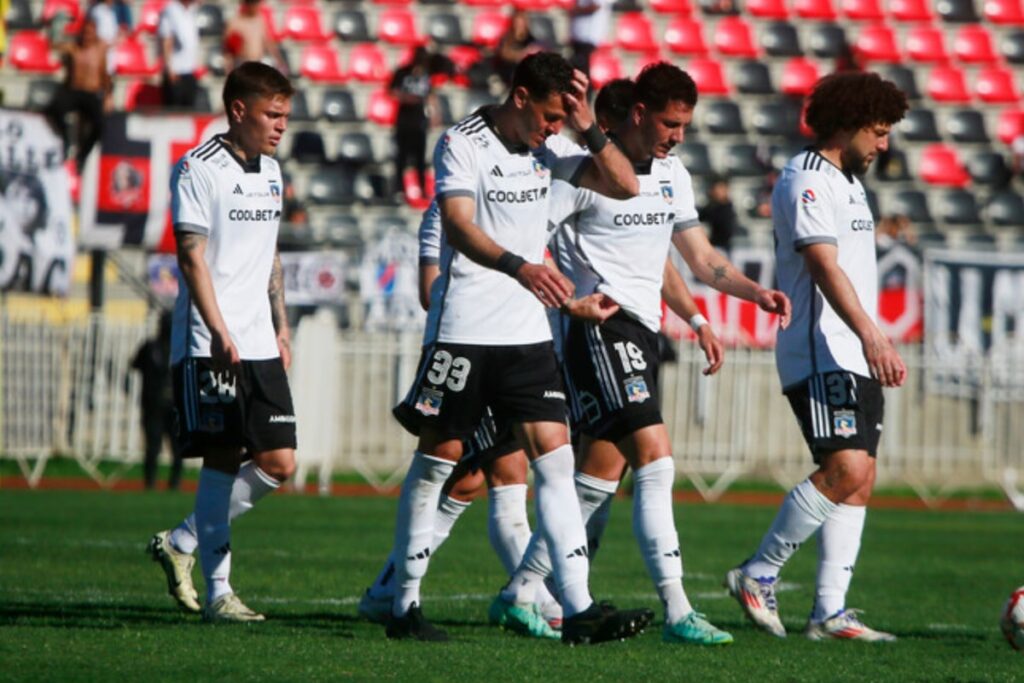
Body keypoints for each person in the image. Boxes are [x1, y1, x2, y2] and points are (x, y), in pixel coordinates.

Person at [496, 63, 791, 646]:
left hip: (644, 334)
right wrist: (573, 301)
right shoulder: (582, 172)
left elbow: (690, 260)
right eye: (669, 122)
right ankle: (679, 609)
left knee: (596, 480)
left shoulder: (673, 175)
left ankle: (520, 592)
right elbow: (529, 243)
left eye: (685, 124)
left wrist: (725, 305)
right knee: (656, 458)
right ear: (637, 113)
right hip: (601, 330)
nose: (678, 134)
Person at [384, 52, 653, 644]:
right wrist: (519, 268)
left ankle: (578, 608)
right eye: (552, 114)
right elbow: (456, 223)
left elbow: (627, 185)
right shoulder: (463, 142)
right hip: (465, 328)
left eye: (564, 119)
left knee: (555, 462)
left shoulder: (553, 148)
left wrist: (587, 125)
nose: (554, 127)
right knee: (438, 465)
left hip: (528, 336)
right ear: (522, 97)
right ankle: (402, 604)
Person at [723, 71, 909, 642]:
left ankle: (829, 612)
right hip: (822, 347)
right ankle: (758, 571)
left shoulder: (849, 181)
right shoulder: (806, 180)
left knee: (861, 478)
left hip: (851, 350)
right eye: (877, 132)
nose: (884, 145)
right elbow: (823, 267)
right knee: (845, 468)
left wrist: (868, 341)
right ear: (847, 124)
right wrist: (873, 335)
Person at [146, 62, 297, 623]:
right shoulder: (199, 168)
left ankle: (181, 541)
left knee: (280, 463)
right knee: (223, 457)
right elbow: (191, 256)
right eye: (272, 115)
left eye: (285, 116)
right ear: (239, 111)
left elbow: (270, 253)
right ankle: (218, 594)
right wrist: (218, 330)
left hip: (260, 338)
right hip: (214, 340)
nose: (281, 126)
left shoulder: (272, 171)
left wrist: (280, 324)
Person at [46, 18, 110, 172]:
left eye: (90, 33)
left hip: (91, 93)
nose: (87, 37)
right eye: (85, 33)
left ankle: (83, 155)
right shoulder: (73, 47)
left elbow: (105, 75)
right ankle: (66, 139)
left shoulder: (100, 49)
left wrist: (108, 95)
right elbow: (54, 46)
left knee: (100, 124)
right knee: (55, 108)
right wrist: (56, 28)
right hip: (74, 91)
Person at [133, 311, 181, 490]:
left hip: (171, 404)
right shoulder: (151, 347)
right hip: (155, 403)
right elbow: (136, 365)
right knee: (154, 446)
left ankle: (172, 482)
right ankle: (151, 482)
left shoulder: (178, 347)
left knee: (175, 448)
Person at [389, 47, 438, 202]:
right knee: (401, 158)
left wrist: (435, 115)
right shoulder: (402, 73)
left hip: (419, 122)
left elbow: (430, 96)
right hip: (404, 121)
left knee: (420, 160)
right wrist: (407, 98)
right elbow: (392, 91)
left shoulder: (426, 76)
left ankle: (422, 190)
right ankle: (399, 190)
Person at [223, 0, 286, 74]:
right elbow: (227, 49)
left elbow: (268, 42)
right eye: (253, 3)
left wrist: (279, 61)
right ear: (246, 4)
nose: (256, 6)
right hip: (241, 65)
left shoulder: (259, 20)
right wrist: (228, 69)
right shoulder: (235, 23)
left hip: (258, 63)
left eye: (257, 3)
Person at [157, 0, 200, 108]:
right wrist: (169, 68)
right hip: (176, 71)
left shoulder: (191, 10)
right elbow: (166, 39)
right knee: (174, 111)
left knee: (189, 110)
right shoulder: (171, 10)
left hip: (189, 70)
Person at [567, 0, 613, 77]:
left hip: (588, 38)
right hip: (579, 37)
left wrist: (576, 10)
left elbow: (596, 6)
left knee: (583, 71)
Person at [494, 10, 538, 88]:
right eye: (518, 24)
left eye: (523, 23)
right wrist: (521, 54)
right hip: (509, 71)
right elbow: (503, 54)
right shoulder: (507, 38)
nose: (521, 26)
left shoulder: (531, 39)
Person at [699, 174, 741, 253]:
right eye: (715, 188)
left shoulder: (727, 210)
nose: (717, 191)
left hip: (722, 249)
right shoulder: (709, 208)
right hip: (711, 248)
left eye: (720, 188)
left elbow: (727, 233)